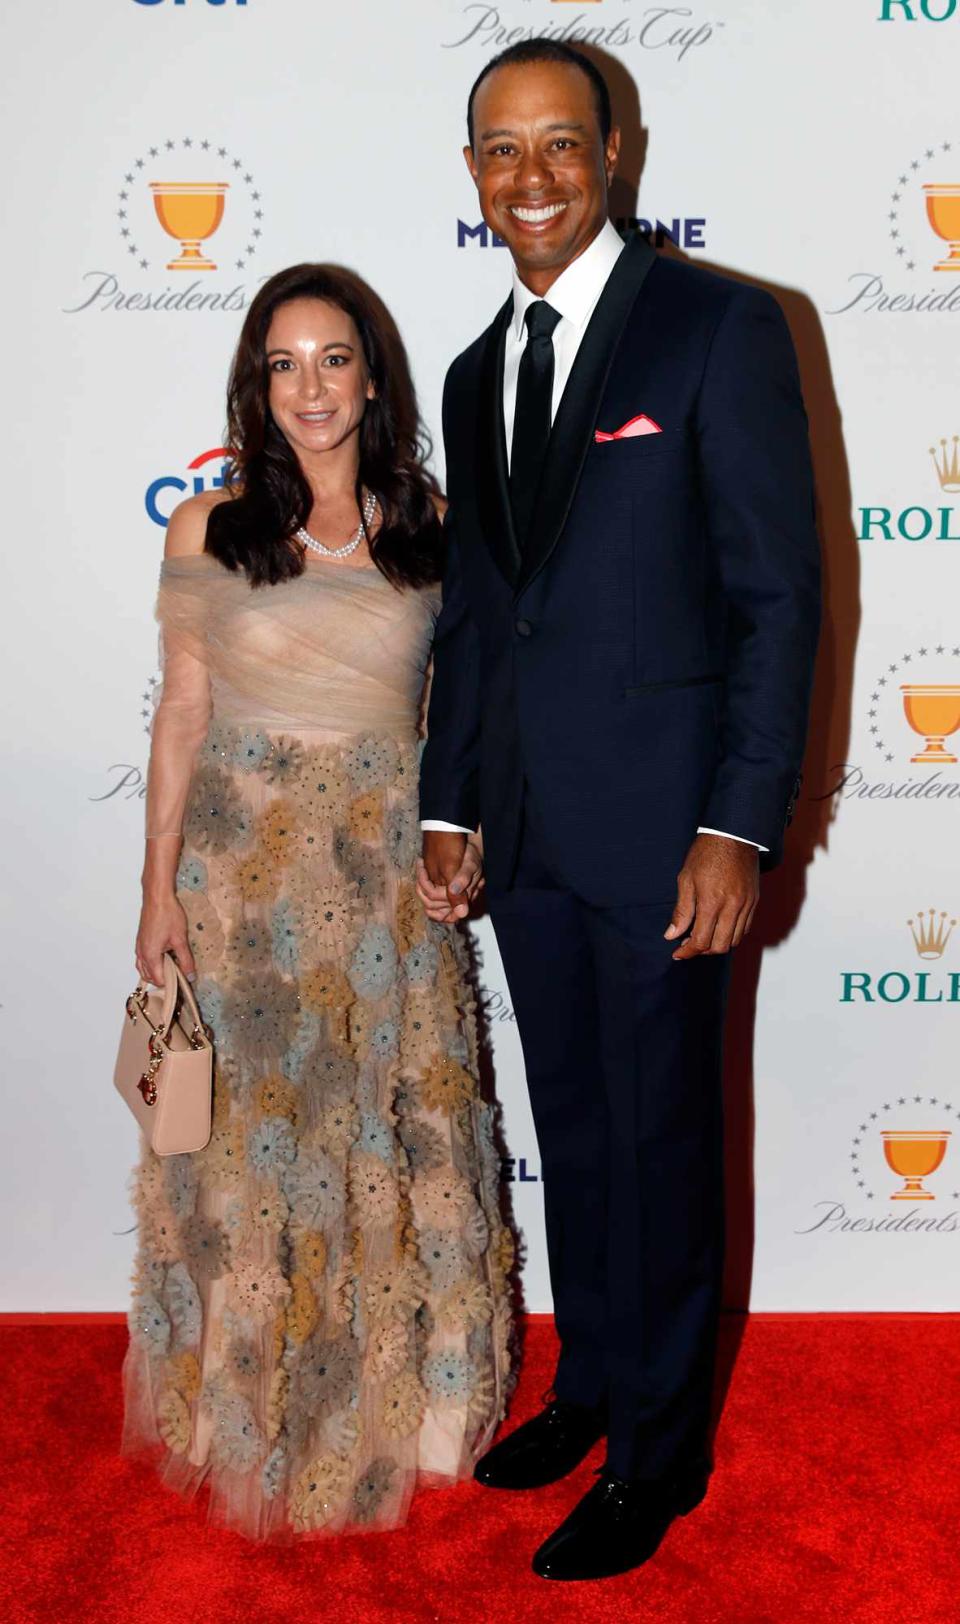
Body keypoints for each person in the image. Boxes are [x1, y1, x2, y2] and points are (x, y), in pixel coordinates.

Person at [418, 42, 820, 1580]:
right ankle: (593, 1389)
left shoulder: (720, 328)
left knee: (661, 1141)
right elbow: (477, 616)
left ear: (615, 154)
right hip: (524, 831)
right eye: (500, 151)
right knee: (577, 1132)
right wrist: (452, 805)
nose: (530, 177)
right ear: (473, 175)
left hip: (669, 837)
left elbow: (778, 600)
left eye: (560, 147)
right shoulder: (470, 372)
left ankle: (662, 1456)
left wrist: (742, 824)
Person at [123, 263, 512, 1541]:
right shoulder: (207, 527)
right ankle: (240, 1406)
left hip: (383, 876)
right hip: (236, 885)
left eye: (333, 359)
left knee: (393, 1137)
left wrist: (464, 842)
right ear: (255, 383)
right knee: (251, 1151)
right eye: (283, 364)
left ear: (372, 374)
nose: (311, 389)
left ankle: (413, 1409)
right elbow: (181, 713)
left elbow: (471, 716)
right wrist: (154, 889)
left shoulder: (433, 525)